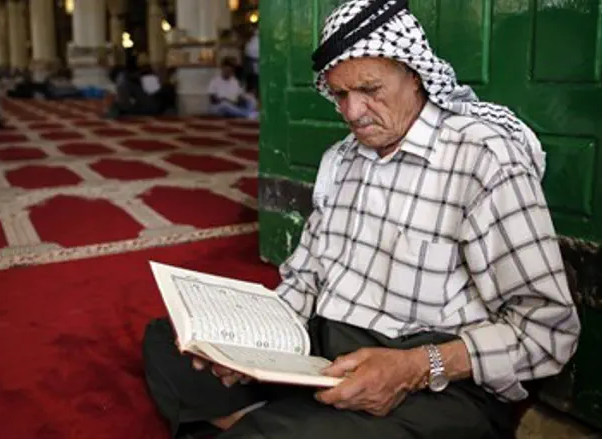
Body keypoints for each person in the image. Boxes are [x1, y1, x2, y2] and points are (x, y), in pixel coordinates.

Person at [141, 1, 581, 438]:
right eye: (340, 95)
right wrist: (242, 348)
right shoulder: (342, 160)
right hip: (326, 352)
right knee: (172, 341)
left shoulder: (484, 159)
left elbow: (547, 330)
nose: (353, 113)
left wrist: (413, 367)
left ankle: (266, 423)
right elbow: (305, 279)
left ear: (414, 75)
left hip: (435, 379)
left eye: (370, 89)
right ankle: (274, 420)